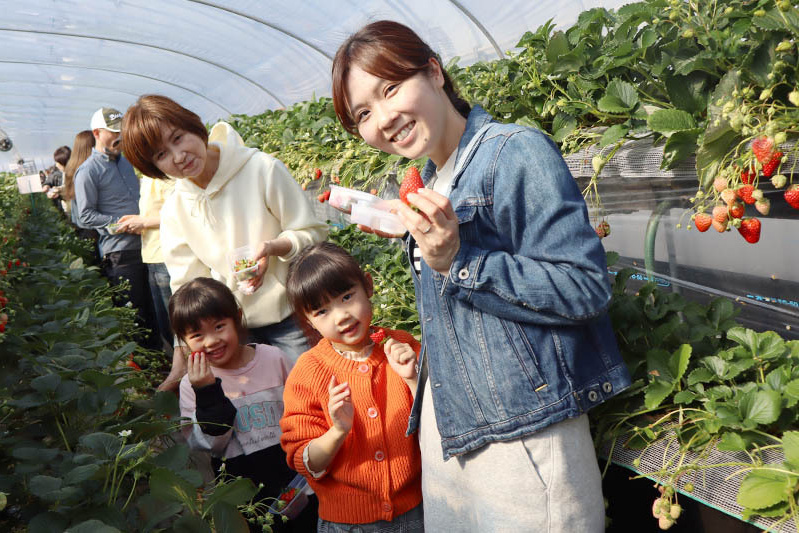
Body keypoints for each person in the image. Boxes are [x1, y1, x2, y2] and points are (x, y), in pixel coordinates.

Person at [330, 20, 632, 532]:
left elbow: (585, 287)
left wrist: (457, 260)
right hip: (453, 426)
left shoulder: (515, 153)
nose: (384, 118)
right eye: (363, 113)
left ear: (434, 71)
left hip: (526, 438)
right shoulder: (426, 179)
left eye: (390, 88)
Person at [121, 95, 328, 391]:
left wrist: (275, 247)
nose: (178, 156)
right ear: (154, 168)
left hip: (289, 316)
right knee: (258, 413)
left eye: (178, 138)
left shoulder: (260, 169)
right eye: (162, 155)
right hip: (231, 334)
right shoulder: (175, 209)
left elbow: (313, 232)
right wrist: (186, 346)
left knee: (310, 393)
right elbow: (186, 284)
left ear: (194, 126)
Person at [280, 242, 424, 532]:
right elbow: (303, 460)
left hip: (416, 512)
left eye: (347, 296)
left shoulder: (402, 346)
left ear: (367, 286)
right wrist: (338, 431)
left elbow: (439, 418)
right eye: (322, 311)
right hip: (346, 523)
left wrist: (412, 379)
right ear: (308, 321)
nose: (341, 316)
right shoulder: (310, 371)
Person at [173, 277, 318, 532]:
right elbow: (210, 446)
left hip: (294, 476)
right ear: (183, 341)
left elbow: (304, 409)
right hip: (242, 489)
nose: (211, 341)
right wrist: (208, 392)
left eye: (219, 326)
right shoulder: (190, 385)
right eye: (197, 335)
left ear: (237, 318)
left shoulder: (273, 358)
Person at [74, 107, 158, 350]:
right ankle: (145, 370)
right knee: (136, 314)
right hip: (120, 252)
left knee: (154, 309)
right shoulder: (88, 171)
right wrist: (121, 225)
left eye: (121, 131)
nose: (119, 137)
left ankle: (164, 364)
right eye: (113, 132)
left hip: (147, 246)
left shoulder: (126, 162)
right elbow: (85, 216)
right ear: (97, 133)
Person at [116, 175, 176, 349]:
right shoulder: (148, 178)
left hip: (166, 256)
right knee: (165, 325)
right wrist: (138, 221)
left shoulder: (168, 176)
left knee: (176, 325)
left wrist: (143, 222)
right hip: (152, 257)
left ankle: (192, 368)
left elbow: (181, 214)